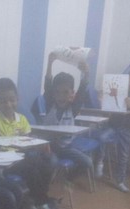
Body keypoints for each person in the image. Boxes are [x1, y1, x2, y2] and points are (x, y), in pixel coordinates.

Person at [0, 78, 58, 209]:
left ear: (17, 99)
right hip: (4, 163)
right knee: (33, 168)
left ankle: (33, 200)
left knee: (48, 162)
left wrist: (40, 143)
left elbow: (28, 140)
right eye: (2, 101)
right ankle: (41, 202)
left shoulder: (21, 119)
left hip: (20, 157)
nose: (8, 104)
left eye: (12, 100)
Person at [31, 53, 94, 185]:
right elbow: (48, 84)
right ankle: (43, 186)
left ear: (72, 93)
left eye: (66, 92)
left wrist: (86, 73)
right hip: (49, 147)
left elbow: (82, 89)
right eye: (57, 92)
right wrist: (50, 63)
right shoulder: (50, 104)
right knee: (52, 162)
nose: (61, 96)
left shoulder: (74, 108)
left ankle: (68, 179)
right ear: (53, 94)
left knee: (88, 162)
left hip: (66, 148)